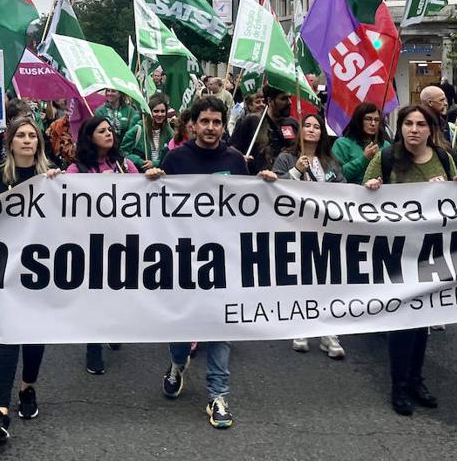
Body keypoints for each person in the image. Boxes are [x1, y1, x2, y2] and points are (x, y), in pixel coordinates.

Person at [146, 96, 278, 430]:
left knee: (221, 324)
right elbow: (159, 205)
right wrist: (153, 181)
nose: (210, 128)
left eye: (217, 122)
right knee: (182, 321)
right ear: (193, 124)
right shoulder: (176, 158)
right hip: (183, 256)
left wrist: (264, 185)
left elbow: (249, 206)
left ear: (224, 125)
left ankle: (218, 395)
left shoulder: (235, 159)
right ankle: (178, 363)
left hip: (224, 258)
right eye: (204, 121)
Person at [364, 104, 457, 416]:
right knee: (402, 321)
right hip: (396, 253)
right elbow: (360, 201)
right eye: (408, 123)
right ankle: (399, 386)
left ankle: (415, 380)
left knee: (423, 318)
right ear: (401, 128)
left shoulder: (443, 158)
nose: (414, 129)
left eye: (420, 124)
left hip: (432, 250)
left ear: (431, 129)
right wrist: (372, 188)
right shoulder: (386, 158)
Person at [0, 119, 60, 445]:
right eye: (20, 135)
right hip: (5, 269)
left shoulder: (52, 175)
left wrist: (56, 186)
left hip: (40, 268)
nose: (26, 140)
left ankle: (27, 386)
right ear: (10, 142)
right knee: (6, 334)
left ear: (39, 142)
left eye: (31, 136)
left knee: (34, 333)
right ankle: (1, 408)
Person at [272, 111, 347, 359]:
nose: (312, 130)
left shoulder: (331, 162)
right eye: (308, 126)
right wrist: (295, 171)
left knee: (327, 277)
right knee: (301, 275)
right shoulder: (286, 158)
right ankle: (302, 325)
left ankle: (328, 331)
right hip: (295, 225)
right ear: (300, 131)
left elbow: (343, 190)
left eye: (317, 126)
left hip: (325, 227)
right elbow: (274, 188)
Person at [67, 114, 138, 374]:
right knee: (95, 295)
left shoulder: (125, 165)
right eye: (101, 131)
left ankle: (113, 326)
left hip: (121, 239)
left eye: (110, 130)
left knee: (118, 289)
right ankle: (93, 348)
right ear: (89, 137)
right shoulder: (77, 170)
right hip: (92, 242)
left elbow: (142, 196)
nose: (108, 134)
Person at [231, 86, 298, 173]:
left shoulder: (292, 124)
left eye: (290, 98)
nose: (289, 102)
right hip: (256, 179)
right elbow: (233, 148)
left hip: (285, 181)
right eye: (283, 98)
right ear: (269, 100)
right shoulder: (252, 121)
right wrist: (240, 158)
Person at [332, 102, 385, 185]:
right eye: (368, 119)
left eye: (377, 120)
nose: (373, 123)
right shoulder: (342, 144)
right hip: (350, 195)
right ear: (359, 120)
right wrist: (364, 159)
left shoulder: (386, 145)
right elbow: (336, 175)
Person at [122, 92, 172, 171]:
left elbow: (173, 154)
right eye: (156, 111)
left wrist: (154, 163)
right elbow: (123, 152)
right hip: (140, 175)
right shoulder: (138, 130)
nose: (160, 114)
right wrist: (139, 161)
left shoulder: (169, 132)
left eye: (163, 111)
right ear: (149, 112)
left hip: (161, 175)